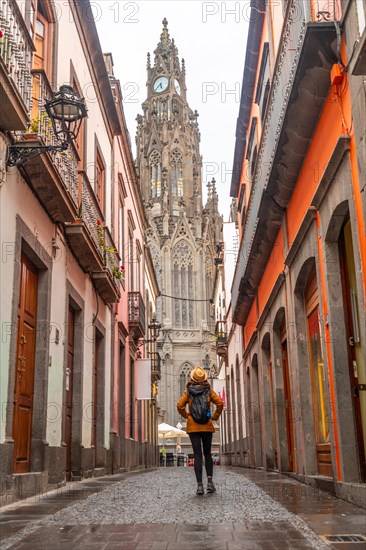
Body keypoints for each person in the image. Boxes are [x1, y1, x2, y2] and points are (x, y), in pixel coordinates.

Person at [177, 366, 223, 495]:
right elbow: (220, 403)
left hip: (193, 426)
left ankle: (199, 486)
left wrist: (187, 416)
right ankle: (209, 482)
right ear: (204, 378)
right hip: (207, 425)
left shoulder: (188, 391)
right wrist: (214, 417)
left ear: (192, 378)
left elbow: (179, 405)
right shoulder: (208, 390)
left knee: (197, 455)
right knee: (207, 454)